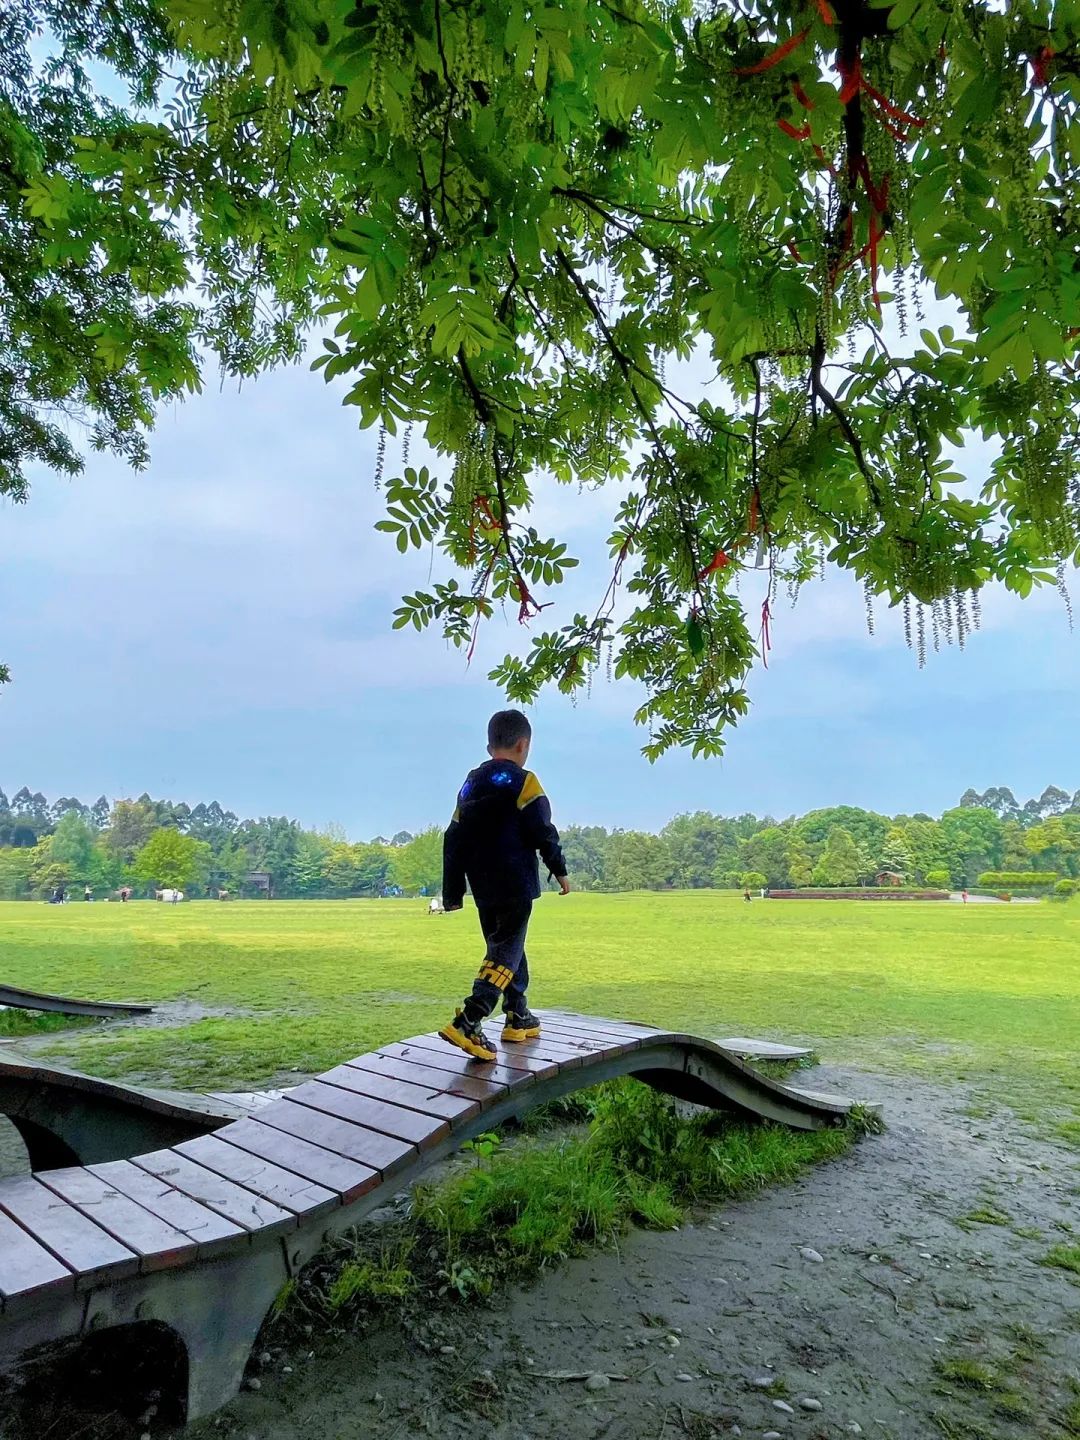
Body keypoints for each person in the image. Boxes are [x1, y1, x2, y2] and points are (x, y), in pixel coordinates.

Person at [438, 708, 570, 1062]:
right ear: (523, 745)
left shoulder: (470, 784)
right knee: (504, 952)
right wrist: (559, 869)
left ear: (488, 746)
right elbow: (543, 830)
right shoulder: (526, 782)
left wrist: (453, 891)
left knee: (509, 948)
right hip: (515, 882)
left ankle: (517, 1015)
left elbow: (454, 835)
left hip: (483, 885)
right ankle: (470, 1019)